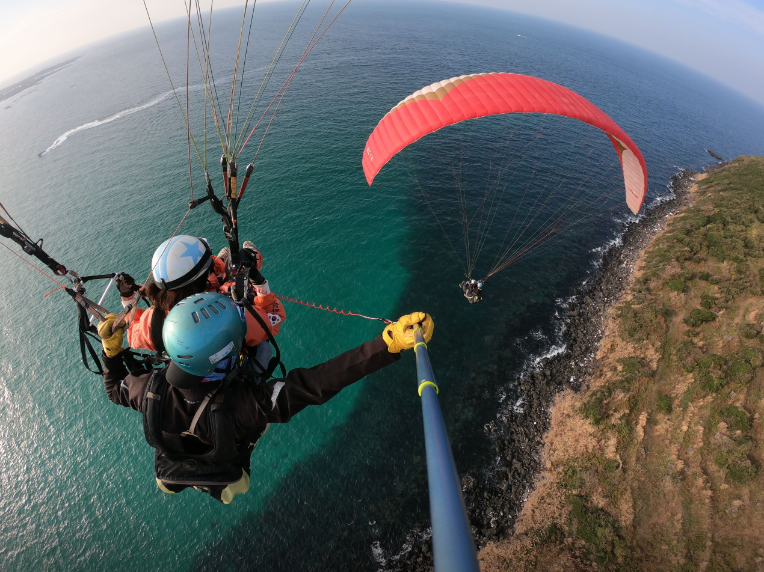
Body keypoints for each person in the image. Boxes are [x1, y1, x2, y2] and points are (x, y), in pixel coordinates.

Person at [97, 292, 434, 504]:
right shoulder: (248, 406)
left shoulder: (147, 390)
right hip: (226, 473)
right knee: (241, 466)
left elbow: (115, 389)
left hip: (170, 472)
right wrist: (387, 343)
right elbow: (317, 383)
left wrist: (111, 353)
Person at [117, 235, 285, 369]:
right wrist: (260, 283)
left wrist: (127, 297)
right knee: (263, 347)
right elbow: (273, 316)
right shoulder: (229, 313)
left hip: (189, 372)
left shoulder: (154, 321)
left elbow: (132, 330)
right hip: (231, 368)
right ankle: (250, 261)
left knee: (222, 278)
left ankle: (222, 265)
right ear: (204, 277)